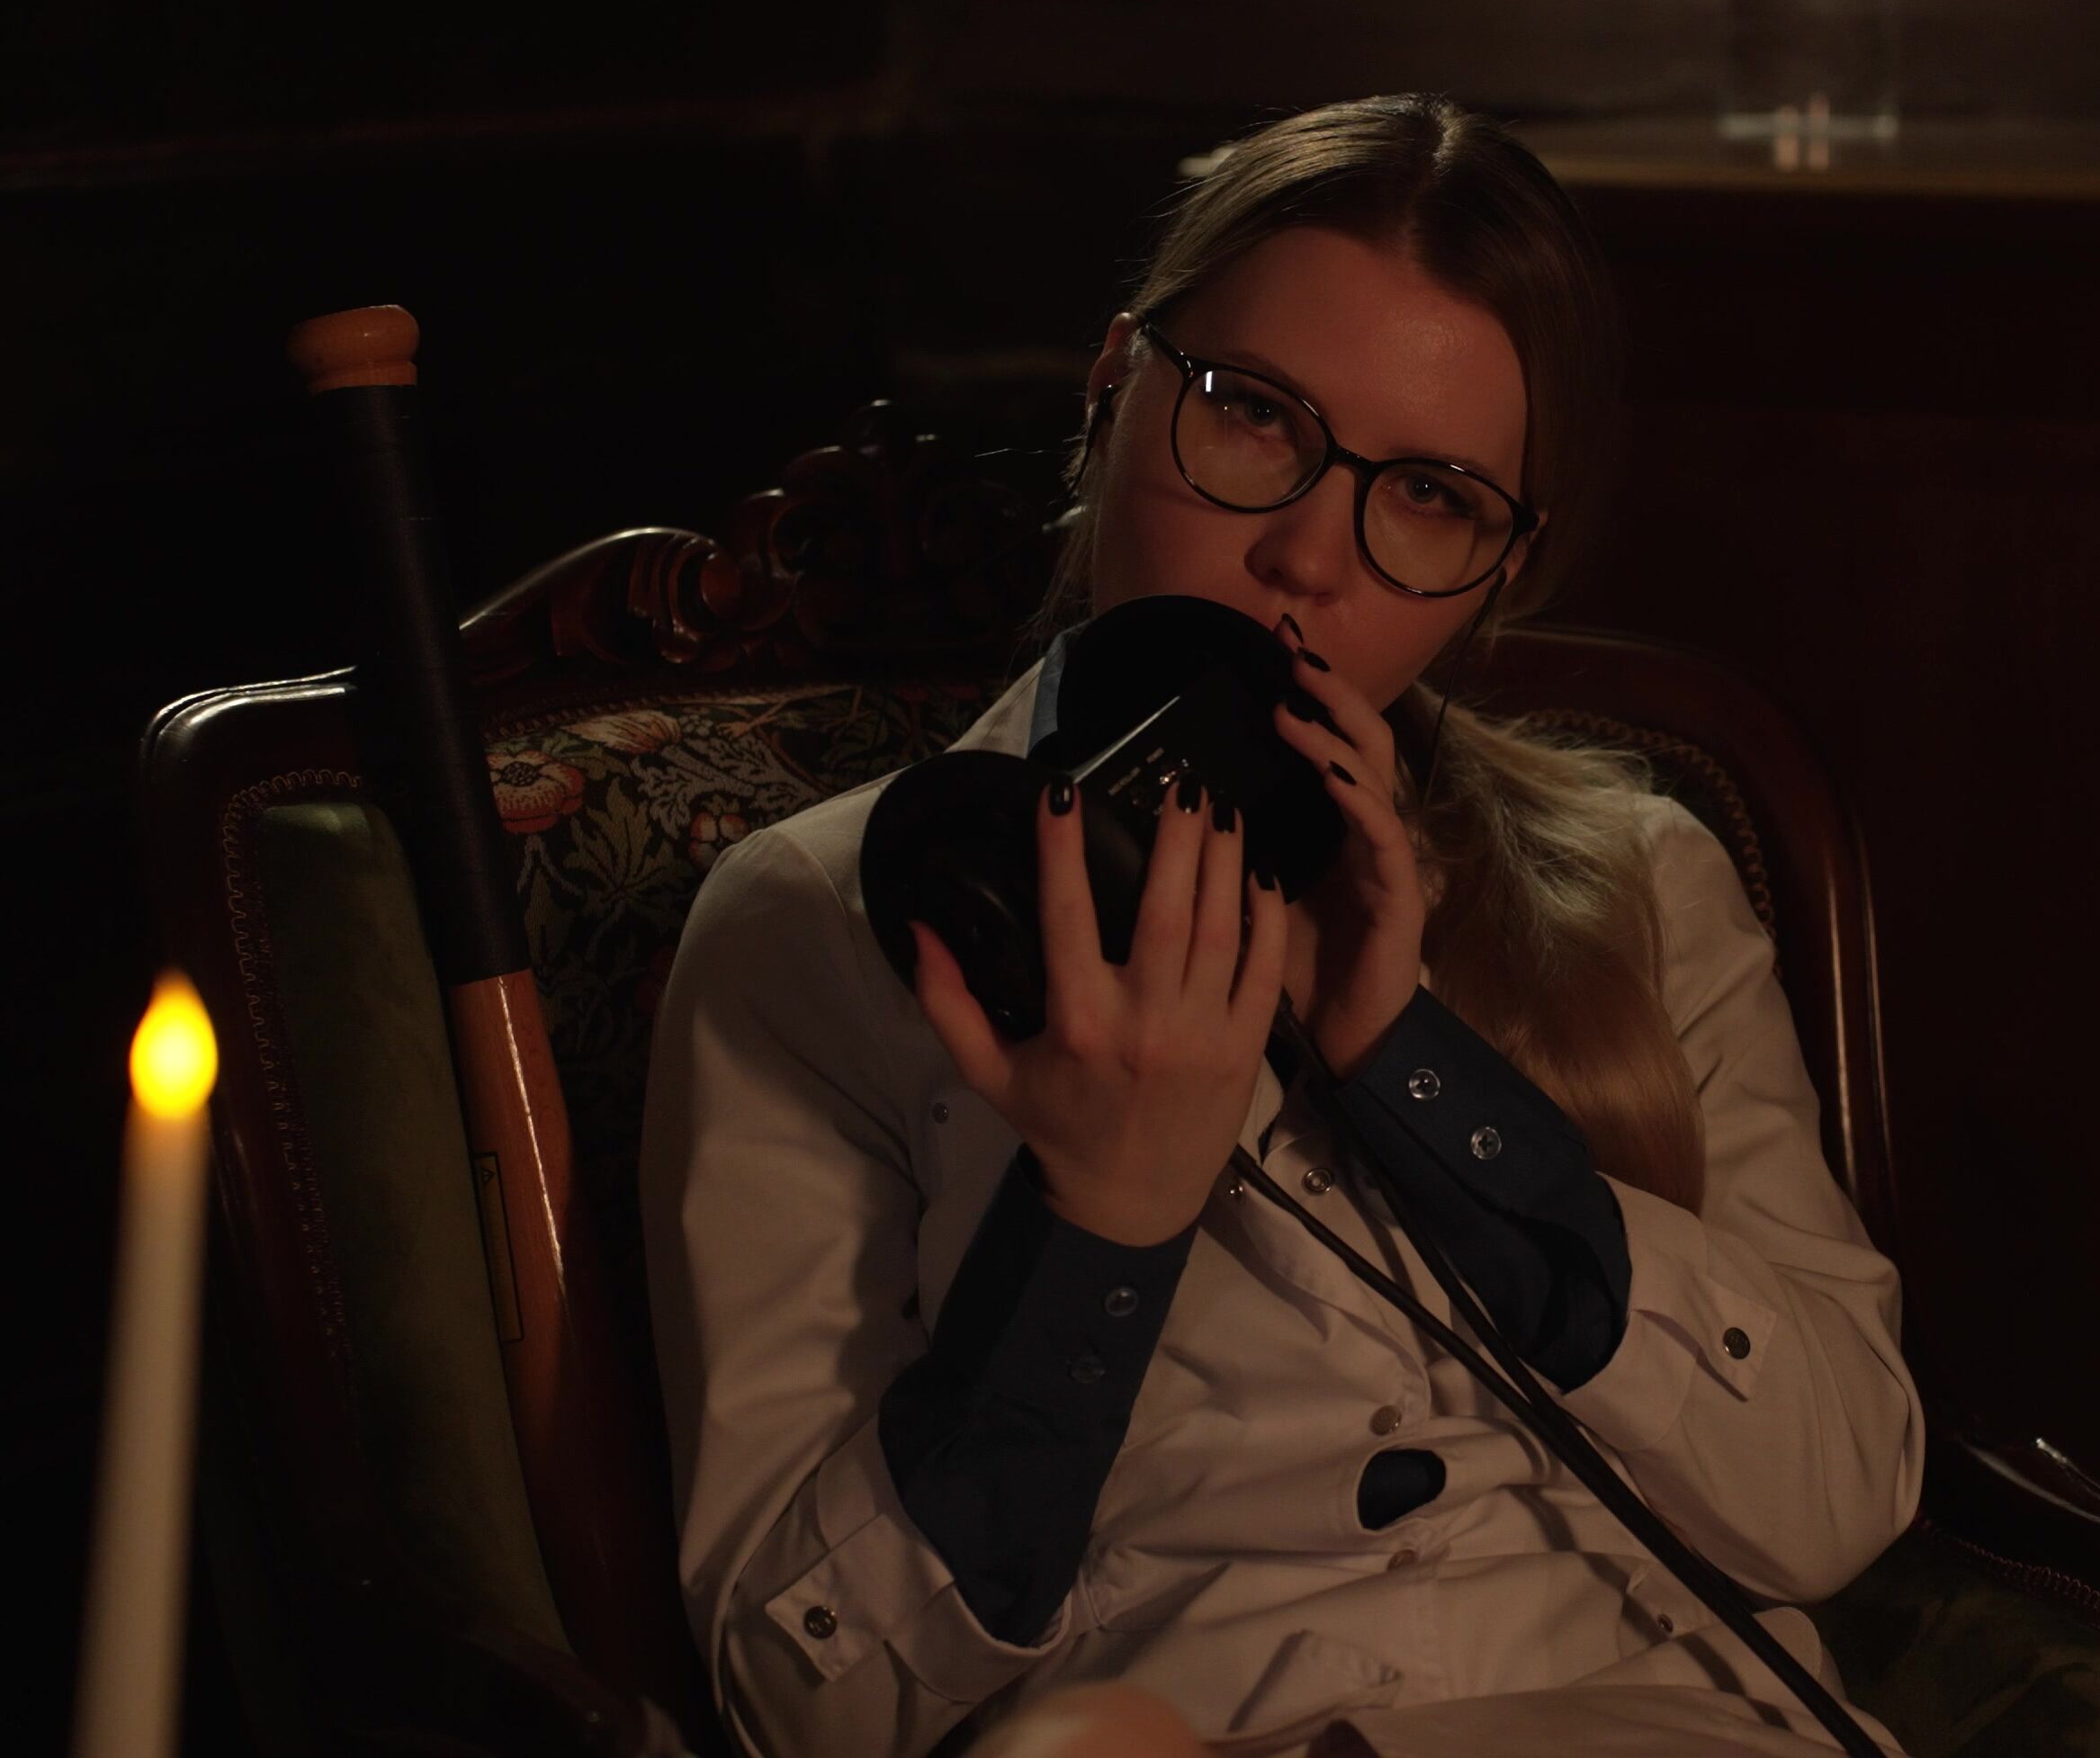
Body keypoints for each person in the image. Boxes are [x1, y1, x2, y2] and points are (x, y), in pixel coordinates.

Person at [642, 93, 1924, 1758]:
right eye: (1254, 417)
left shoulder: (1641, 875)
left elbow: (1841, 1497)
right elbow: (801, 1703)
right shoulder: (814, 924)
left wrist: (1414, 1069)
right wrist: (1096, 1229)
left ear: (1502, 570)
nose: (1310, 557)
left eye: (1433, 497)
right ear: (1112, 389)